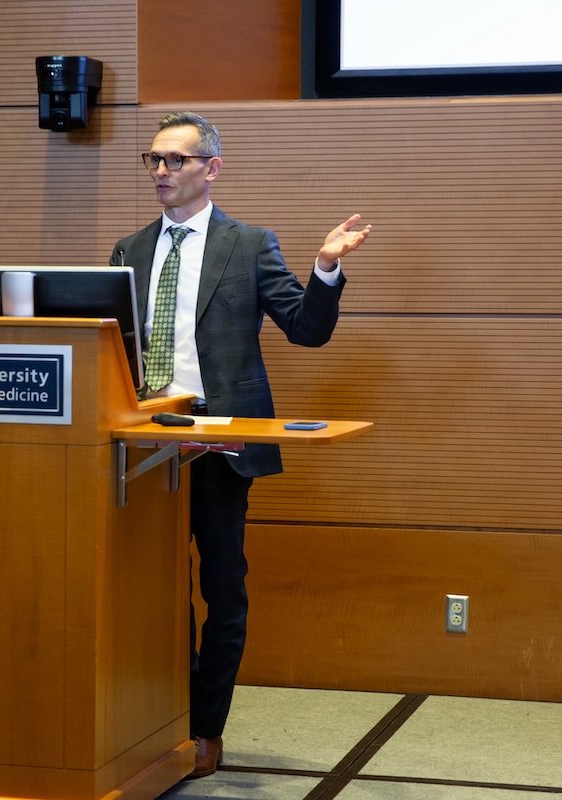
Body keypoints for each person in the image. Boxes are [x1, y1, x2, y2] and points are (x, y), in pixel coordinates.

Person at [109, 112, 371, 779]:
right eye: (154, 160)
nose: (161, 172)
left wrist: (325, 267)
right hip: (140, 449)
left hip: (219, 449)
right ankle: (153, 717)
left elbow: (306, 331)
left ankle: (204, 728)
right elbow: (108, 348)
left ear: (211, 169)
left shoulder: (248, 244)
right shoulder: (127, 250)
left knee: (221, 590)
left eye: (175, 161)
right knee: (149, 592)